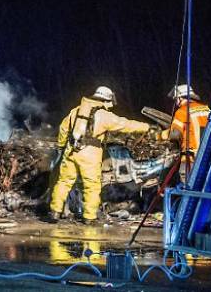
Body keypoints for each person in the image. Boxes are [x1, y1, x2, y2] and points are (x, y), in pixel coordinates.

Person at [47, 86, 150, 225]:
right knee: (92, 186)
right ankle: (89, 217)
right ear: (107, 99)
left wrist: (61, 146)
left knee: (64, 182)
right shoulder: (104, 115)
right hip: (90, 152)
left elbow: (63, 129)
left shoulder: (76, 111)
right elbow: (125, 124)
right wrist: (146, 127)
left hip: (70, 150)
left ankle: (55, 212)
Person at [161, 84, 210, 181]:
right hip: (208, 157)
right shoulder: (206, 109)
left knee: (187, 188)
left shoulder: (182, 111)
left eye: (176, 99)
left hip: (190, 160)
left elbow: (175, 135)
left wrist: (161, 135)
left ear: (180, 98)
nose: (176, 102)